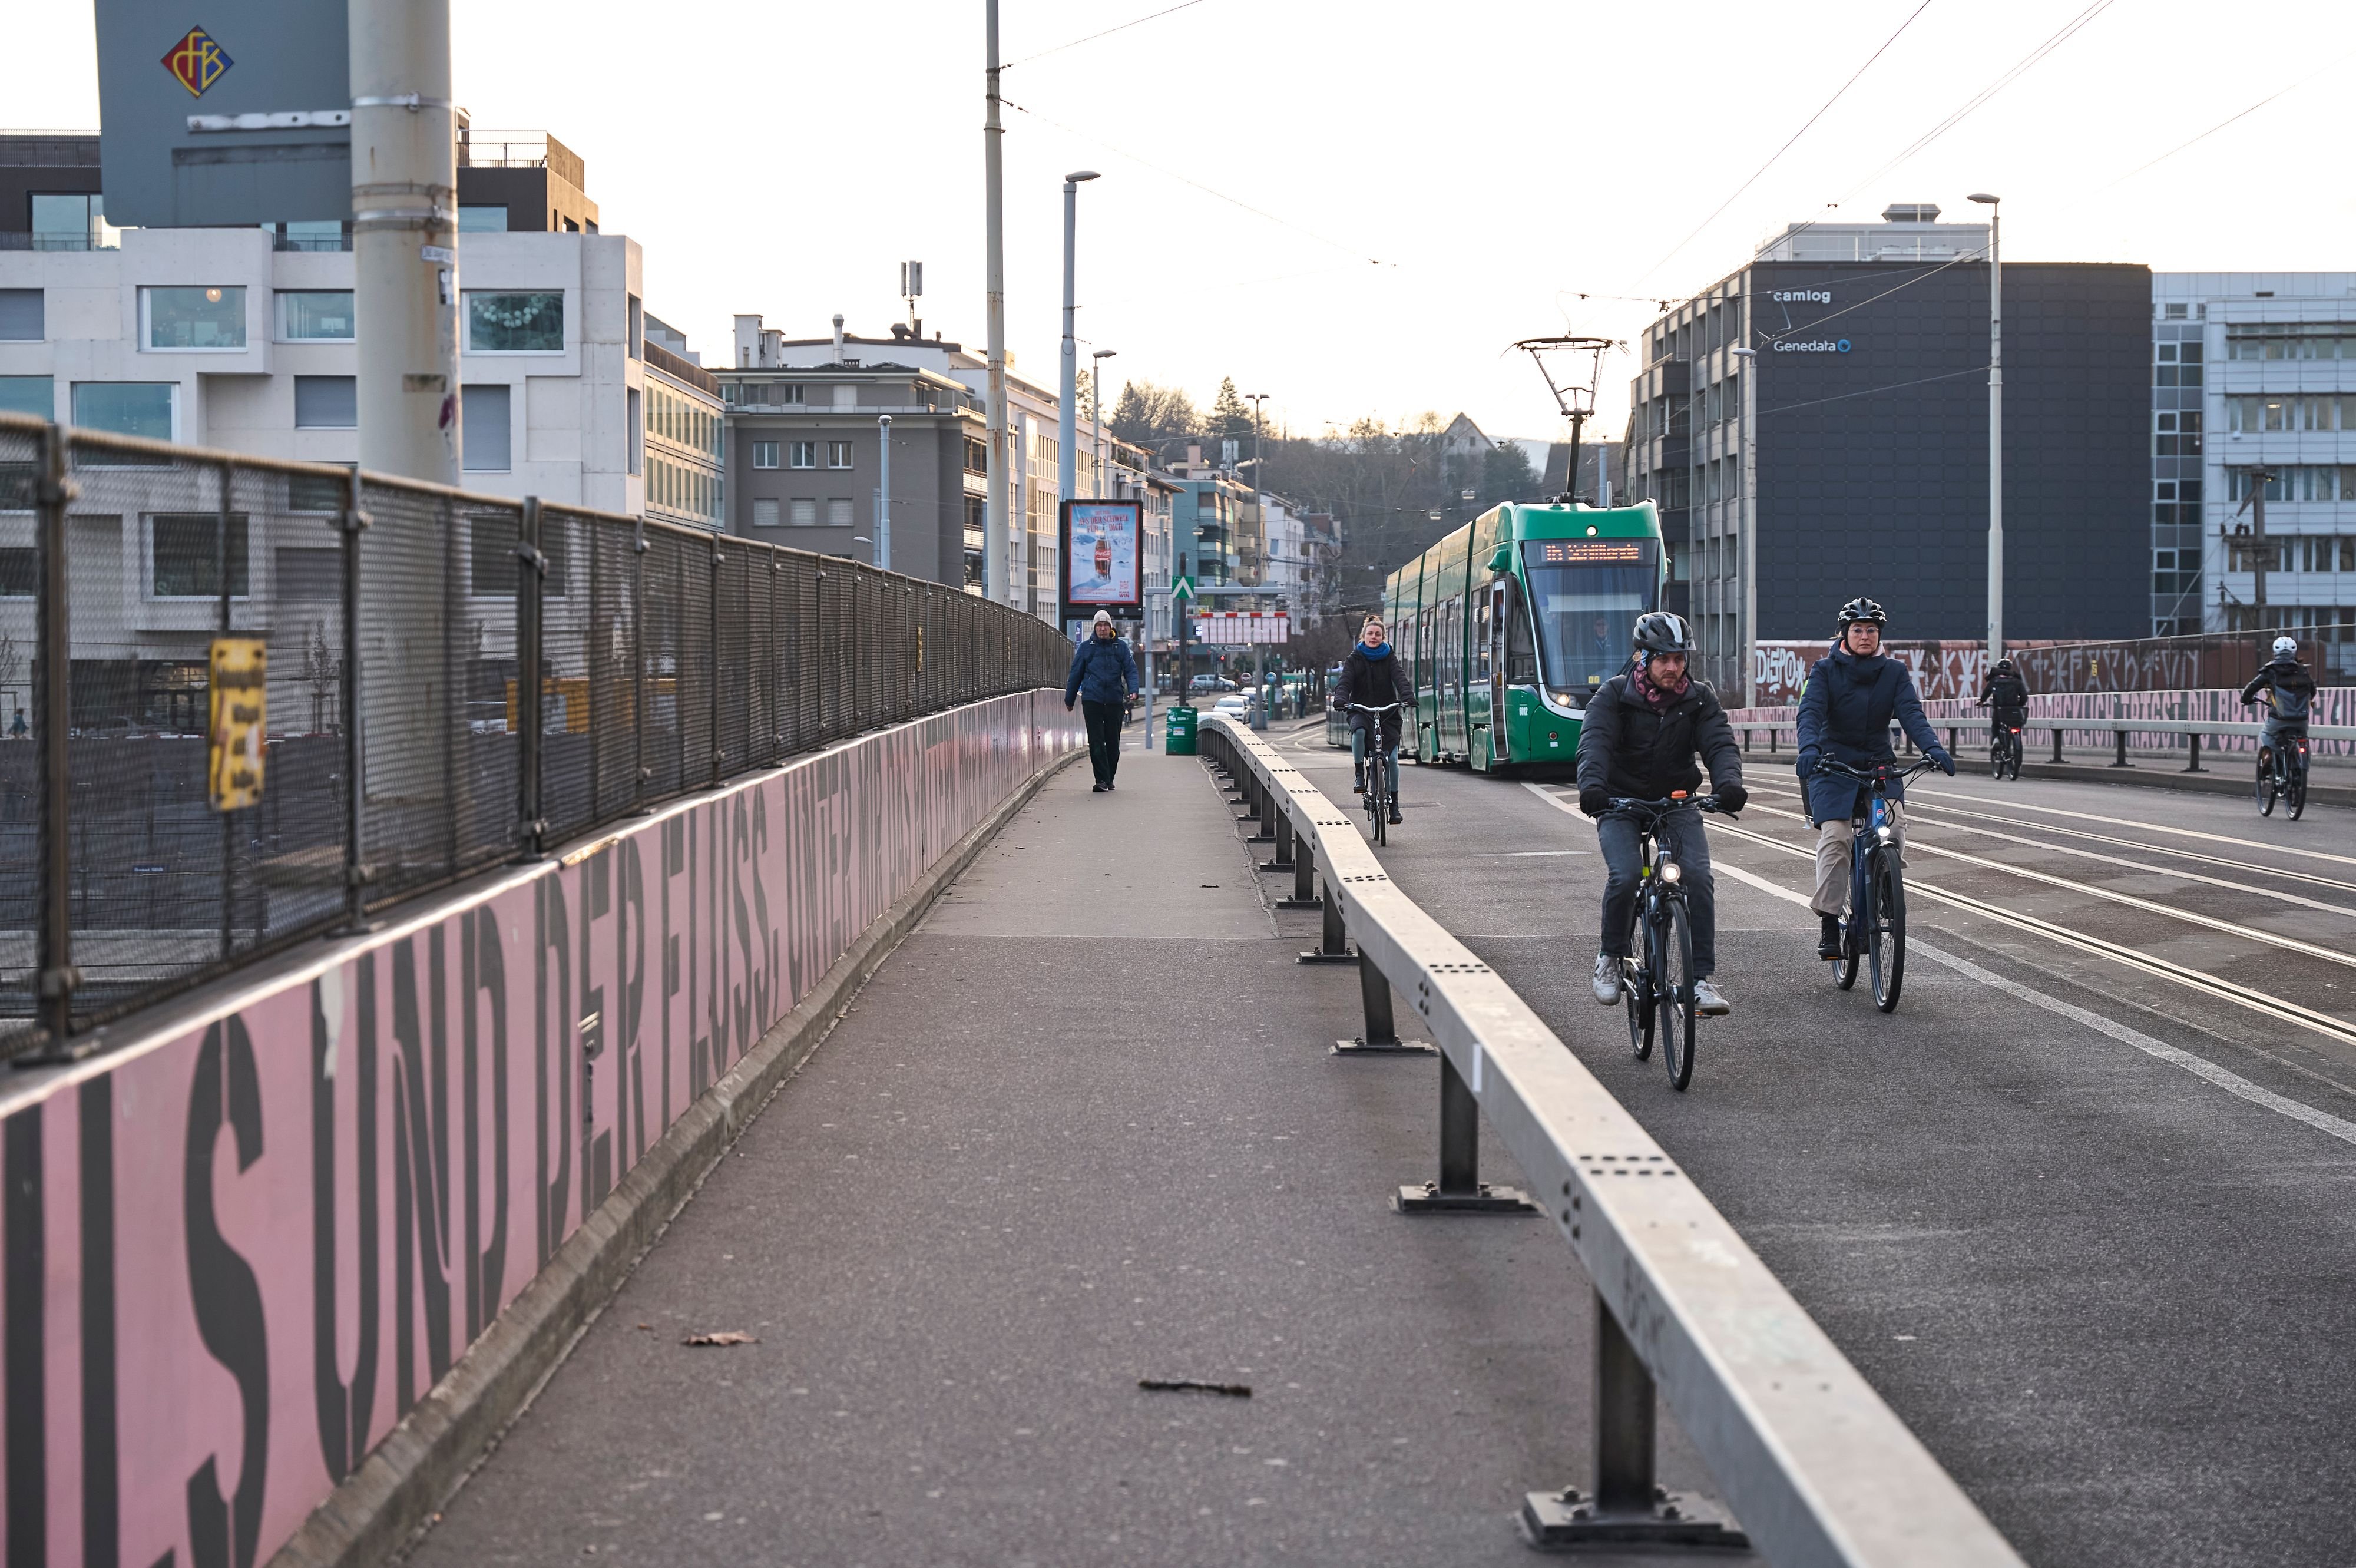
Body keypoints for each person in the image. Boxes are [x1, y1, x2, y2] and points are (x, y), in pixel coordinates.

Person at [1576, 611, 1745, 1015]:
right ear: (1644, 658)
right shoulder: (1614, 695)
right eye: (1664, 659)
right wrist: (1593, 789)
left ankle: (1700, 980)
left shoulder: (1699, 698)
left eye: (1680, 659)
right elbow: (1594, 744)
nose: (1674, 667)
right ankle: (1610, 957)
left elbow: (1719, 744)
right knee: (1627, 875)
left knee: (1700, 877)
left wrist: (1729, 785)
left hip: (1677, 801)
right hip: (1620, 802)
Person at [1795, 598, 1955, 960]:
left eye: (1871, 630)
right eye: (1857, 630)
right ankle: (1829, 921)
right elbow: (1811, 712)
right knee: (1837, 837)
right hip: (1832, 765)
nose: (1864, 636)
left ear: (1879, 635)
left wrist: (1933, 748)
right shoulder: (1824, 670)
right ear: (1845, 635)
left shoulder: (1894, 673)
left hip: (1879, 765)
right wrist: (1809, 750)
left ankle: (1885, 882)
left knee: (1894, 830)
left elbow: (1911, 713)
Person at [1335, 614, 1412, 825]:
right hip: (1361, 709)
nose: (1374, 637)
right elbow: (1345, 682)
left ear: (1383, 637)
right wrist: (1342, 699)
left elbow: (1400, 678)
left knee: (1393, 759)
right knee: (1359, 732)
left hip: (1388, 712)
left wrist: (1407, 697)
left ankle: (1394, 805)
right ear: (1364, 636)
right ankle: (1360, 774)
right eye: (1370, 633)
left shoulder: (1389, 657)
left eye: (1378, 634)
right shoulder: (1354, 658)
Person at [1065, 610, 1140, 792]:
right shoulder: (1086, 648)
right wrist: (1070, 699)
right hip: (1093, 700)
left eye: (1106, 625)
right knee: (1097, 741)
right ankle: (1101, 780)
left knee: (1113, 743)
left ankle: (1109, 777)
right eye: (1099, 625)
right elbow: (1076, 674)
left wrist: (1134, 690)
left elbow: (1131, 670)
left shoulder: (1120, 647)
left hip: (1114, 701)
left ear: (1110, 627)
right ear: (1095, 628)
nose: (1103, 628)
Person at [2241, 635, 2318, 775]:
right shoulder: (2303, 671)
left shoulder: (2271, 671)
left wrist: (2246, 699)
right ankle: (2300, 771)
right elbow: (2312, 692)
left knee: (2266, 735)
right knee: (2303, 740)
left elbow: (2253, 687)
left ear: (2275, 652)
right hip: (2301, 720)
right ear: (2294, 653)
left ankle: (2270, 756)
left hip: (2279, 719)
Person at [1977, 656, 2029, 754]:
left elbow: (1986, 693)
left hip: (2000, 711)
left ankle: (1996, 740)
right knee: (2016, 725)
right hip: (2014, 710)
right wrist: (2019, 705)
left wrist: (1981, 701)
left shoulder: (1994, 681)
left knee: (1996, 725)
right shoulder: (2017, 681)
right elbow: (2024, 697)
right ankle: (2017, 748)